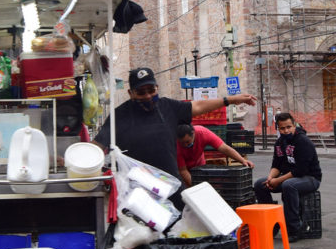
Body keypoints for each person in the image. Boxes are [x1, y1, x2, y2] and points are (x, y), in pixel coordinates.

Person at [93, 66, 256, 207]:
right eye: (141, 92)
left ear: (157, 88)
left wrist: (231, 100)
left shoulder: (168, 107)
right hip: (137, 192)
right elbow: (97, 146)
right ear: (130, 93)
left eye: (151, 90)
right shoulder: (118, 116)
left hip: (170, 186)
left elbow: (198, 105)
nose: (148, 96)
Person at [254, 112, 321, 242]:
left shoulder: (303, 141)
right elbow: (276, 165)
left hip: (310, 178)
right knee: (260, 185)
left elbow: (300, 171)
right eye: (282, 128)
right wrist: (270, 179)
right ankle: (272, 224)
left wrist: (277, 180)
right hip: (289, 177)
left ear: (294, 125)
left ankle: (294, 229)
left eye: (289, 127)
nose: (286, 131)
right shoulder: (279, 143)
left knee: (288, 185)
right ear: (278, 128)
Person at [176, 123, 254, 187]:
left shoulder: (202, 133)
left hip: (199, 166)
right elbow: (183, 171)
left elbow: (223, 148)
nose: (185, 145)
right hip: (183, 170)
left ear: (193, 134)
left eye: (187, 142)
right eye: (182, 143)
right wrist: (196, 187)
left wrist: (242, 160)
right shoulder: (176, 144)